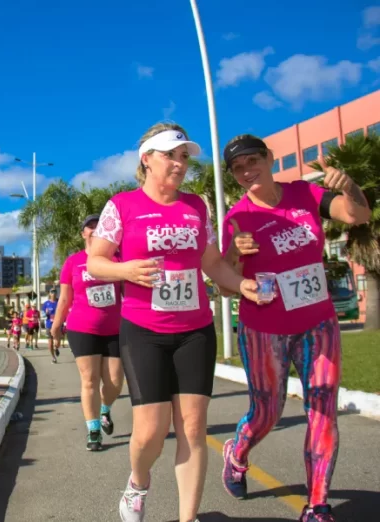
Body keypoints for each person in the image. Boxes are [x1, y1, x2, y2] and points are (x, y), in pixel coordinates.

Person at [88, 122, 265, 522]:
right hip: (143, 330)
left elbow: (213, 263)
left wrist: (242, 285)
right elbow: (96, 262)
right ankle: (138, 482)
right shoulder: (122, 206)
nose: (180, 163)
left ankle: (188, 518)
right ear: (147, 159)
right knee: (151, 430)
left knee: (192, 427)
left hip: (195, 330)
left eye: (184, 156)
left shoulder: (196, 206)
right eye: (171, 154)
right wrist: (127, 269)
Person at [218, 134, 371, 522]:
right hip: (263, 328)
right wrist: (236, 253)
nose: (246, 170)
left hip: (317, 323)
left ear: (269, 159)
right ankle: (237, 452)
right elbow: (224, 283)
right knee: (267, 412)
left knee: (322, 409)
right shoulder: (237, 218)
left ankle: (317, 505)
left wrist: (350, 186)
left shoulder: (306, 194)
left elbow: (358, 216)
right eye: (237, 167)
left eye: (253, 160)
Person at [51, 214, 125, 451]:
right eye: (89, 226)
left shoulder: (116, 258)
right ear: (83, 233)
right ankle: (93, 430)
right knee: (89, 380)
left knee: (114, 381)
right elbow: (64, 298)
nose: (94, 229)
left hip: (116, 328)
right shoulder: (73, 262)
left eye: (99, 226)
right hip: (83, 328)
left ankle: (105, 410)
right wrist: (56, 324)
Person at [42, 289, 60, 359]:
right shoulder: (46, 304)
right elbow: (43, 315)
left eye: (55, 292)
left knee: (57, 342)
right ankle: (53, 357)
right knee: (50, 342)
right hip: (49, 324)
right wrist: (45, 313)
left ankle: (56, 348)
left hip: (58, 324)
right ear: (49, 294)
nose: (53, 293)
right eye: (52, 292)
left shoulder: (59, 302)